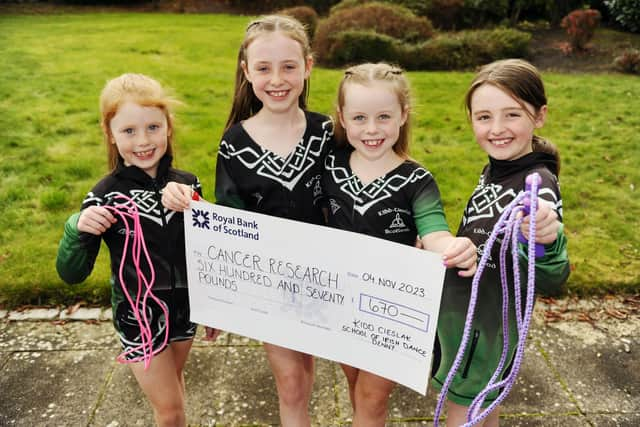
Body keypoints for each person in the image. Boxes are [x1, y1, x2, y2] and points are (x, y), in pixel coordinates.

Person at [162, 15, 332, 427]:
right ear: (247, 72)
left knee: (306, 373)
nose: (277, 79)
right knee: (290, 383)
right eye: (264, 68)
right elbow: (230, 219)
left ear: (308, 66)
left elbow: (344, 197)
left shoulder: (328, 131)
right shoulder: (235, 142)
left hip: (327, 276)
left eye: (289, 66)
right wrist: (188, 203)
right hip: (269, 283)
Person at [322, 62, 478, 426]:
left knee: (371, 398)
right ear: (342, 118)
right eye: (359, 117)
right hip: (340, 298)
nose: (372, 129)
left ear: (403, 115)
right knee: (356, 385)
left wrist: (452, 246)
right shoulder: (329, 166)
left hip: (392, 306)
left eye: (383, 117)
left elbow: (434, 229)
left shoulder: (416, 180)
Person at [56, 73, 202, 427]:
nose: (143, 141)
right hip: (138, 316)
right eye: (129, 131)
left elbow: (206, 253)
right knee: (170, 411)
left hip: (185, 311)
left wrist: (196, 205)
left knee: (173, 395)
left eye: (153, 127)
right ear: (110, 134)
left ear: (168, 127)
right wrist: (77, 228)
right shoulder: (105, 195)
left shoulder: (188, 183)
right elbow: (71, 273)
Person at [431, 59, 571, 426]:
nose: (496, 130)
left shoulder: (538, 186)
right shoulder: (496, 169)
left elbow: (551, 277)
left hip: (488, 329)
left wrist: (545, 238)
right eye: (483, 117)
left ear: (539, 116)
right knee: (479, 412)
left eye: (512, 115)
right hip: (468, 320)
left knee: (464, 414)